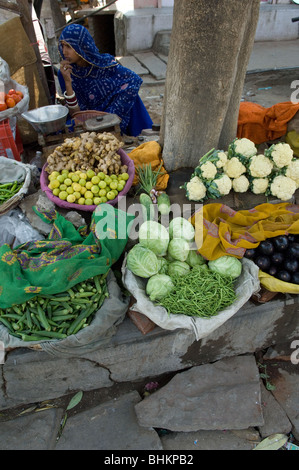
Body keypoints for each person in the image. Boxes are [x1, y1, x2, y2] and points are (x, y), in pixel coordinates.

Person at [57, 23, 153, 136]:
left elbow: (133, 80)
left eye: (69, 46)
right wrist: (68, 82)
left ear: (82, 45)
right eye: (62, 46)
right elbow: (76, 114)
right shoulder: (65, 72)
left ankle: (140, 135)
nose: (64, 52)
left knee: (132, 98)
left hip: (111, 114)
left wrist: (111, 115)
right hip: (84, 120)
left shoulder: (104, 66)